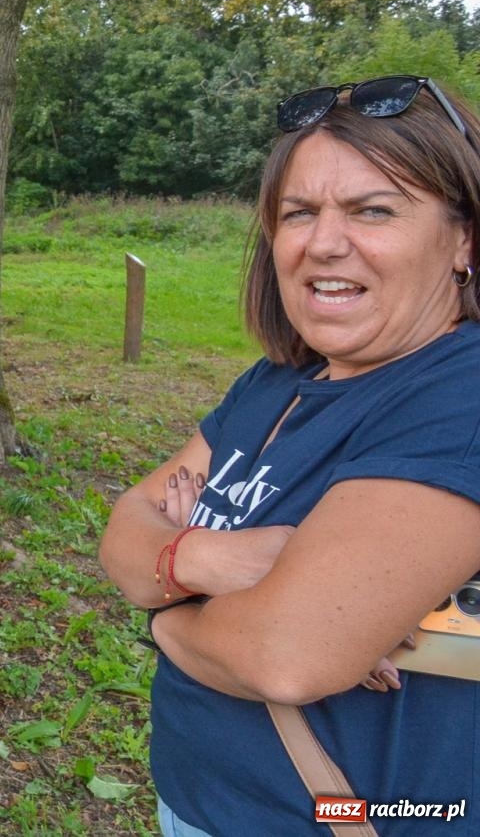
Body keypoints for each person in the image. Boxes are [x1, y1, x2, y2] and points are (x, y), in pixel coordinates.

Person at [98, 75, 480, 835]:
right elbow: (124, 528)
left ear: (464, 236)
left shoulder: (457, 399)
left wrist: (164, 618)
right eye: (298, 212)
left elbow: (285, 655)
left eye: (374, 210)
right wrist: (205, 565)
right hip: (198, 799)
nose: (323, 242)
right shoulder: (277, 381)